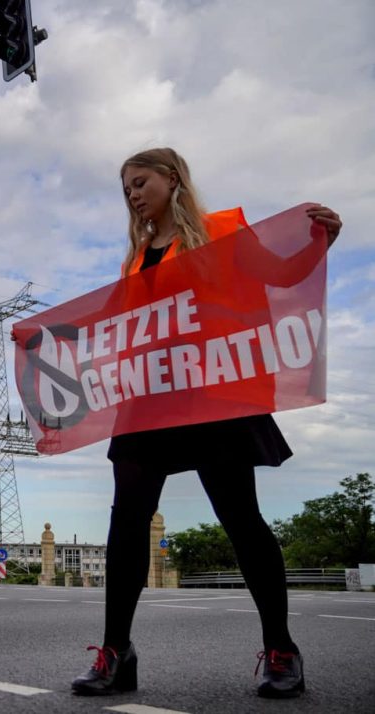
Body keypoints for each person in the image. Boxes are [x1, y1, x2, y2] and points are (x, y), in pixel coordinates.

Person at [71, 148, 342, 699]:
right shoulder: (136, 257)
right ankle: (116, 652)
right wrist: (49, 336)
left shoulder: (223, 232)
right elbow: (119, 324)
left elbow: (282, 274)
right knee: (127, 523)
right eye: (125, 188)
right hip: (150, 399)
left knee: (241, 518)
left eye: (140, 181)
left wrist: (321, 241)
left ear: (172, 179)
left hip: (214, 393)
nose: (132, 194)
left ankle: (281, 648)